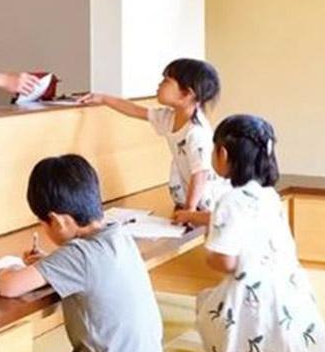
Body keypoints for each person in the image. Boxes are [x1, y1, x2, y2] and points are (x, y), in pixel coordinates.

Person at [0, 154, 163, 352]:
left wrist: (7, 271)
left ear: (58, 220)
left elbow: (8, 287)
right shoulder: (120, 237)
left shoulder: (78, 256)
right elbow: (87, 271)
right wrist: (48, 264)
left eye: (43, 224)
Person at [196, 115, 325, 352]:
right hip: (289, 289)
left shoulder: (229, 200)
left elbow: (225, 262)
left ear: (223, 153)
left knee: (205, 311)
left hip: (249, 293)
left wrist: (209, 253)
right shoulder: (268, 195)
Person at [80, 58, 223, 226]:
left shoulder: (196, 132)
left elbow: (200, 173)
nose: (160, 84)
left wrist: (190, 211)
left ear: (186, 94)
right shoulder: (169, 117)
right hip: (189, 199)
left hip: (207, 204)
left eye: (166, 81)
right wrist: (103, 98)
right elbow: (135, 110)